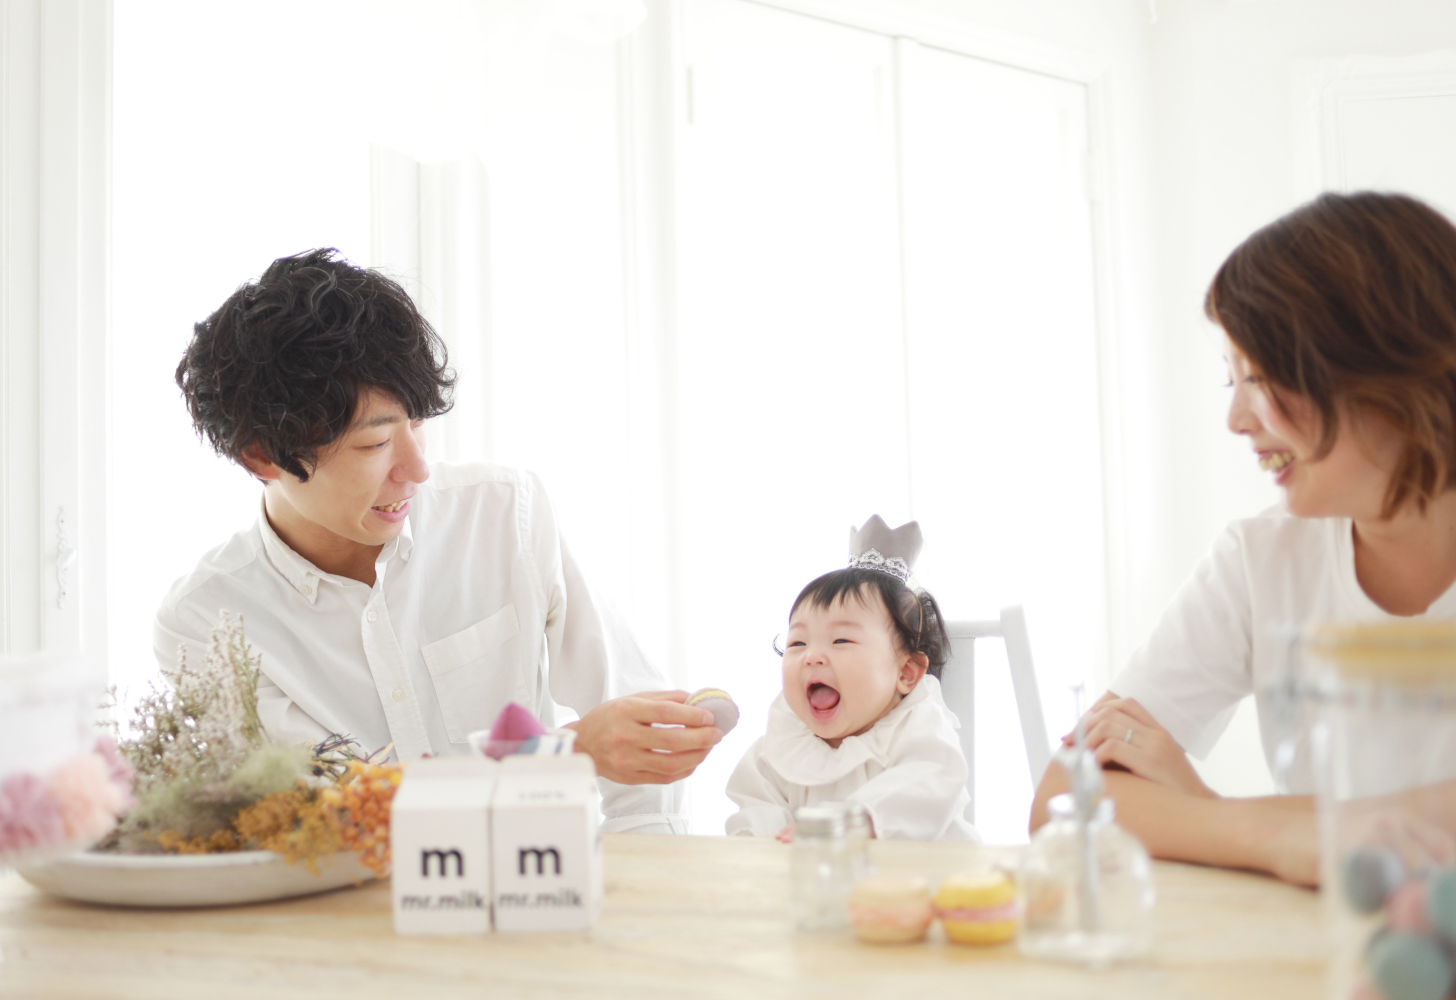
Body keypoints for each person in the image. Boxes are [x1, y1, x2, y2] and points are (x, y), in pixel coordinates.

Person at [156, 248, 721, 833]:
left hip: (546, 895)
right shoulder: (204, 624)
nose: (417, 469)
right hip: (353, 916)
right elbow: (334, 815)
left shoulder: (505, 514)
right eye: (374, 445)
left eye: (418, 422)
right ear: (262, 456)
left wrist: (632, 888)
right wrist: (563, 756)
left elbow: (643, 740)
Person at [1030, 191, 1456, 885]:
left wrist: (1207, 811)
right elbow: (1061, 795)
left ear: (1385, 366)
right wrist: (1273, 835)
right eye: (1232, 379)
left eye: (1260, 377)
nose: (1235, 418)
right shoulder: (1261, 558)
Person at [726, 516, 979, 841]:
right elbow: (755, 806)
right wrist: (766, 843)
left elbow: (932, 780)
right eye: (797, 643)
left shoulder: (918, 727)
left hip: (921, 881)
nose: (812, 656)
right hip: (821, 886)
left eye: (841, 641)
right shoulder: (781, 744)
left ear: (905, 673)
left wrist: (857, 820)